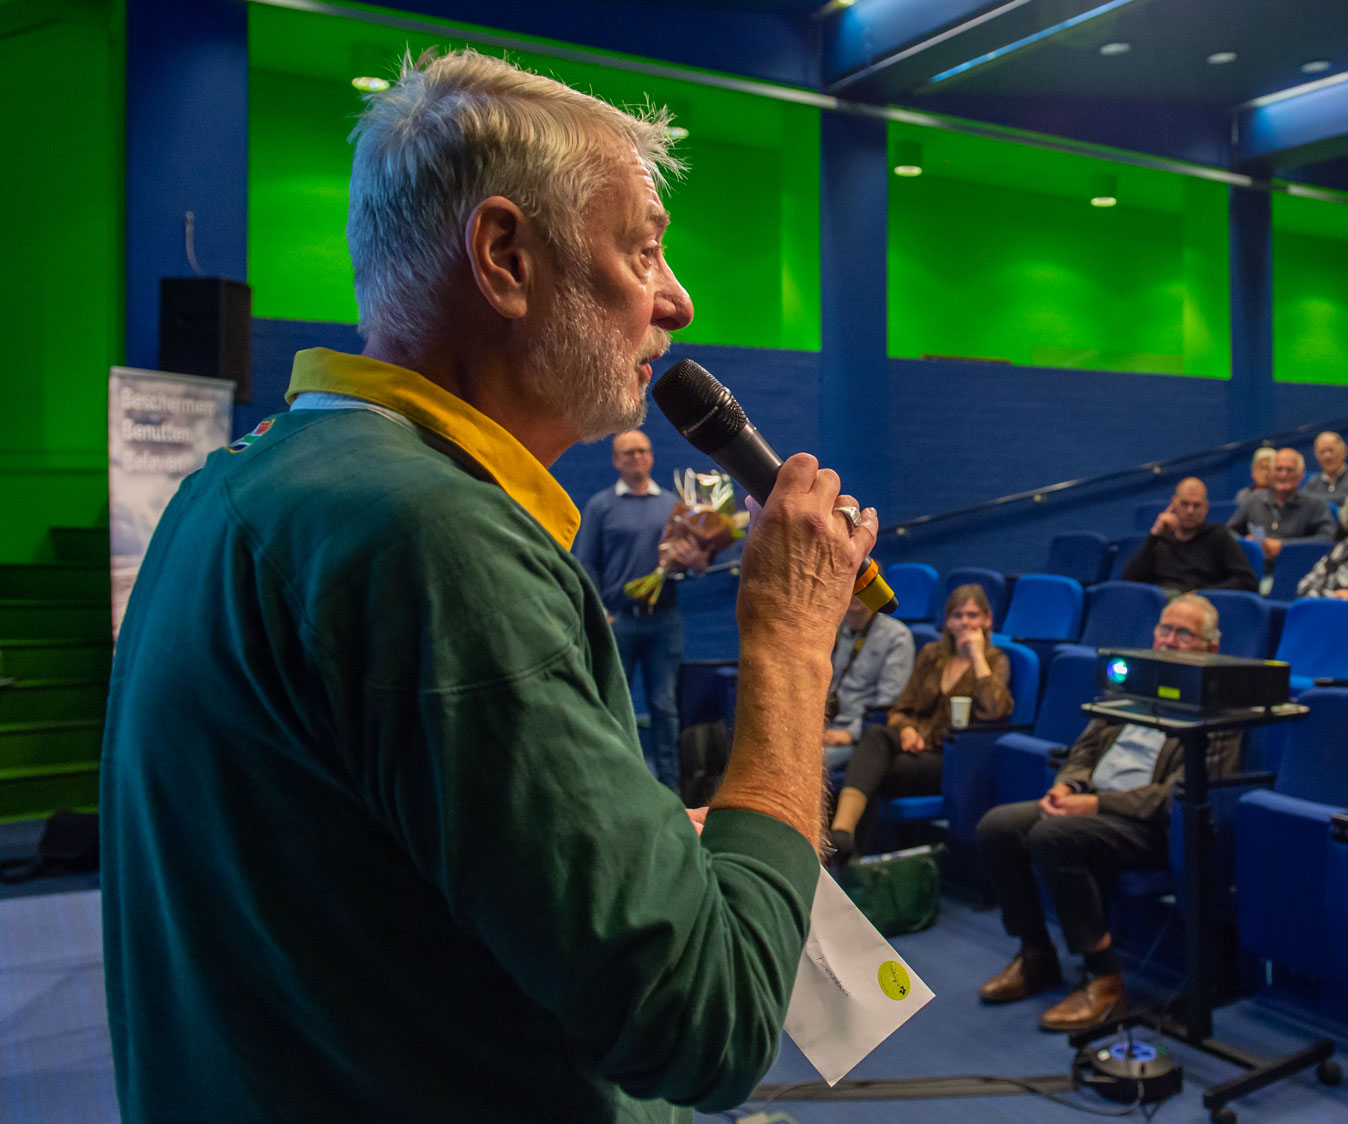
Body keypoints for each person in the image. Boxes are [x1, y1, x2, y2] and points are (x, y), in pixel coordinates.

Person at [100, 50, 875, 1122]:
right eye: (642, 249)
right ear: (506, 256)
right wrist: (791, 641)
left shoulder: (247, 483)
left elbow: (371, 880)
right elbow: (713, 1019)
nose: (677, 300)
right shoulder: (434, 539)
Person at [975, 596, 1237, 1032]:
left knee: (1052, 837)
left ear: (1209, 647)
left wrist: (1094, 803)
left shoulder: (1220, 708)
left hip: (1149, 827)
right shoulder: (1133, 686)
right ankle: (1037, 953)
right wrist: (1067, 785)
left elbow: (1180, 795)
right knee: (998, 828)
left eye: (1183, 634)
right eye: (1165, 630)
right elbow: (1085, 749)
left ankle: (1104, 977)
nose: (1169, 641)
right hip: (1091, 804)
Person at [575, 428, 716, 797]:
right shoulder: (601, 507)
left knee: (664, 708)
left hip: (664, 620)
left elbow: (693, 566)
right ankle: (616, 788)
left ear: (651, 456)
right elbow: (585, 563)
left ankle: (671, 794)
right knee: (611, 704)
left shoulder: (672, 505)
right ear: (616, 461)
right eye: (628, 453)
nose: (636, 458)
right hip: (619, 622)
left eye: (642, 451)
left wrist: (694, 562)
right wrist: (600, 611)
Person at [828, 584, 1013, 862]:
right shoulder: (932, 655)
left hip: (951, 759)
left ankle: (847, 850)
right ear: (948, 621)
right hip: (913, 749)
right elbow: (900, 709)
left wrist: (976, 656)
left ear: (987, 620)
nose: (965, 622)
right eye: (958, 615)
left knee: (871, 769)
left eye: (973, 615)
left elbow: (996, 709)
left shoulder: (995, 661)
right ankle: (844, 837)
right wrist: (906, 729)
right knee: (877, 736)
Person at [823, 593, 916, 771]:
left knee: (802, 764)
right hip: (824, 729)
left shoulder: (896, 637)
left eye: (862, 587)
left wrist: (850, 734)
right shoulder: (831, 629)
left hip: (860, 739)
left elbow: (888, 705)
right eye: (851, 586)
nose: (855, 594)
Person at [1122, 477, 1258, 593]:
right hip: (1161, 603)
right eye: (1184, 504)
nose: (1190, 511)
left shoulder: (1218, 536)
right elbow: (1129, 580)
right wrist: (1154, 536)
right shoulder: (1161, 538)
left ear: (1206, 507)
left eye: (1196, 505)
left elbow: (1246, 581)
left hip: (1198, 606)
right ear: (1173, 503)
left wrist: (1202, 594)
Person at [1226, 448, 1337, 570]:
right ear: (1271, 472)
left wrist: (1284, 546)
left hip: (1296, 569)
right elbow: (1228, 532)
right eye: (1278, 469)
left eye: (1290, 470)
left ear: (1301, 473)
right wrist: (1246, 542)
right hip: (1255, 569)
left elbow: (1326, 538)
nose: (1283, 475)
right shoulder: (1254, 499)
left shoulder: (1315, 504)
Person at [1302, 431, 1348, 505]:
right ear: (1316, 456)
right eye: (1322, 452)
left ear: (1344, 450)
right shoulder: (1312, 483)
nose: (1327, 457)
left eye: (1331, 450)